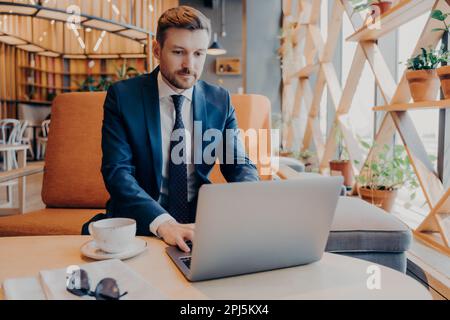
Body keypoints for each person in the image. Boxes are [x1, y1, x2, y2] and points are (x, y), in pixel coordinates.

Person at [82, 6, 259, 253]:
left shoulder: (220, 100)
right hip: (142, 224)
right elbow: (117, 173)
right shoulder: (123, 97)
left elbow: (238, 164)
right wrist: (165, 224)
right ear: (157, 50)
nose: (190, 64)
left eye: (199, 53)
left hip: (198, 227)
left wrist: (252, 198)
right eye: (179, 52)